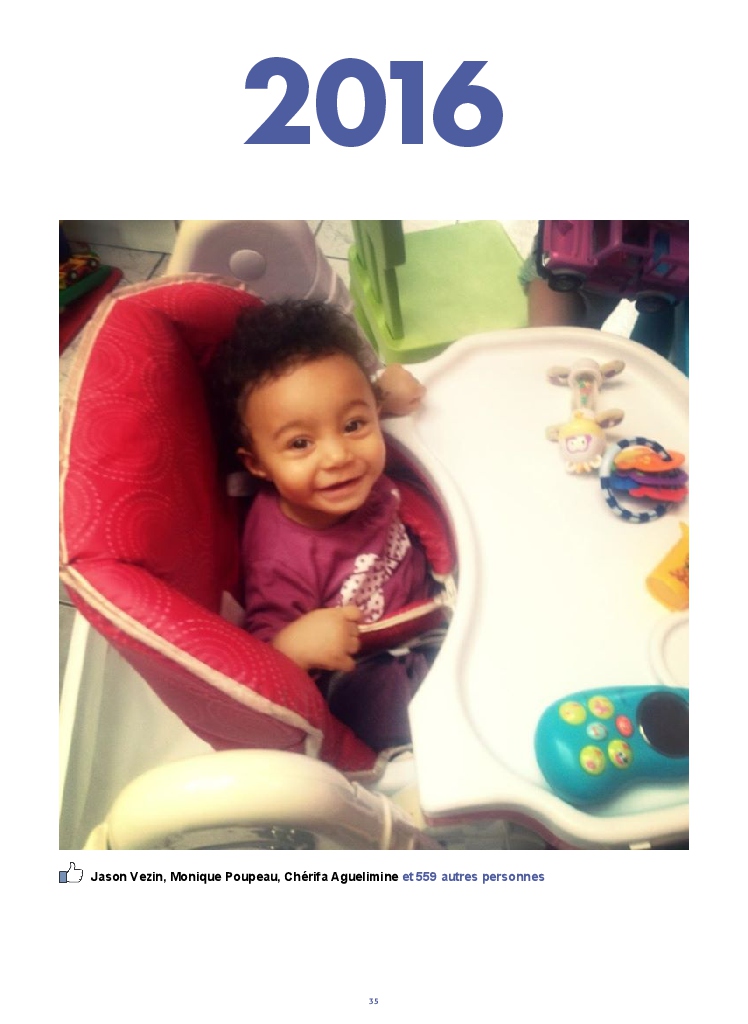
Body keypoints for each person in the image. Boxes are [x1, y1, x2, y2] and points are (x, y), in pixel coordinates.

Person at [207, 299, 441, 751]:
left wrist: (385, 392)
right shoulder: (280, 557)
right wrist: (291, 647)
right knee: (372, 708)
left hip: (428, 603)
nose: (338, 456)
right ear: (257, 464)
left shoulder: (343, 452)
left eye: (353, 425)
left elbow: (339, 405)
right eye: (300, 443)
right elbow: (260, 665)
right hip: (372, 661)